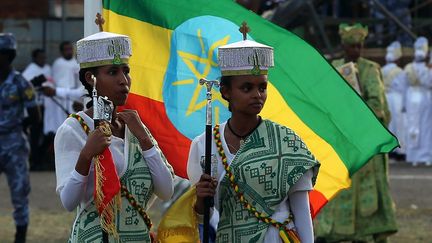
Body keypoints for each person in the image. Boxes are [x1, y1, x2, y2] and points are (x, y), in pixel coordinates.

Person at [187, 24, 320, 243]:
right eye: (247, 88)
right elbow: (203, 217)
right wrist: (201, 199)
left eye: (262, 87)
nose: (257, 95)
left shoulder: (286, 142)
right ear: (226, 91)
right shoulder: (204, 145)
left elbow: (302, 212)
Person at [54, 31, 174, 242]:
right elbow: (68, 201)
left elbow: (166, 190)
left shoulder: (135, 127)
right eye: (112, 72)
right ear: (91, 79)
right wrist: (86, 155)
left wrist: (145, 139)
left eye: (126, 71)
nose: (123, 80)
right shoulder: (74, 129)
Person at [315, 23, 397, 243]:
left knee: (364, 192)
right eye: (351, 46)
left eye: (359, 46)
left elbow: (378, 105)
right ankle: (330, 232)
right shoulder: (333, 67)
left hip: (363, 139)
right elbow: (325, 101)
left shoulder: (370, 69)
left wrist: (355, 107)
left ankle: (365, 233)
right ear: (343, 45)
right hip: (340, 138)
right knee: (337, 185)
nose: (355, 51)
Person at [0, 33, 41, 243]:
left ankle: (20, 237)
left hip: (14, 145)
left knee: (19, 193)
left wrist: (17, 128)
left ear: (7, 56)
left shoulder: (20, 83)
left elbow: (35, 116)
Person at [400, 37, 432, 167]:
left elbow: (404, 87)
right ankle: (426, 156)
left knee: (413, 126)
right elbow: (429, 83)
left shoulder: (408, 68)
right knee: (426, 127)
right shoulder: (427, 69)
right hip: (424, 97)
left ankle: (414, 156)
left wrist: (403, 104)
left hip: (411, 97)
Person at [44, 41, 85, 137]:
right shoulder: (57, 63)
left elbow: (80, 88)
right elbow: (53, 81)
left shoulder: (77, 64)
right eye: (66, 50)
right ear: (61, 51)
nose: (68, 52)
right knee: (58, 127)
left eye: (70, 49)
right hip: (58, 100)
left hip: (72, 99)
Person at [22, 49, 52, 170]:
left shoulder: (47, 68)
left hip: (47, 107)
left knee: (48, 134)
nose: (43, 60)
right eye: (40, 57)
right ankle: (34, 161)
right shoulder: (30, 70)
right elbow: (26, 89)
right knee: (34, 136)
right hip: (35, 108)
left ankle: (40, 158)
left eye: (44, 57)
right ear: (34, 58)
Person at [381, 41, 405, 159]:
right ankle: (397, 150)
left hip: (385, 97)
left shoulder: (381, 69)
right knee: (397, 123)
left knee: (387, 124)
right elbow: (402, 87)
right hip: (395, 98)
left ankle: (387, 149)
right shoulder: (399, 71)